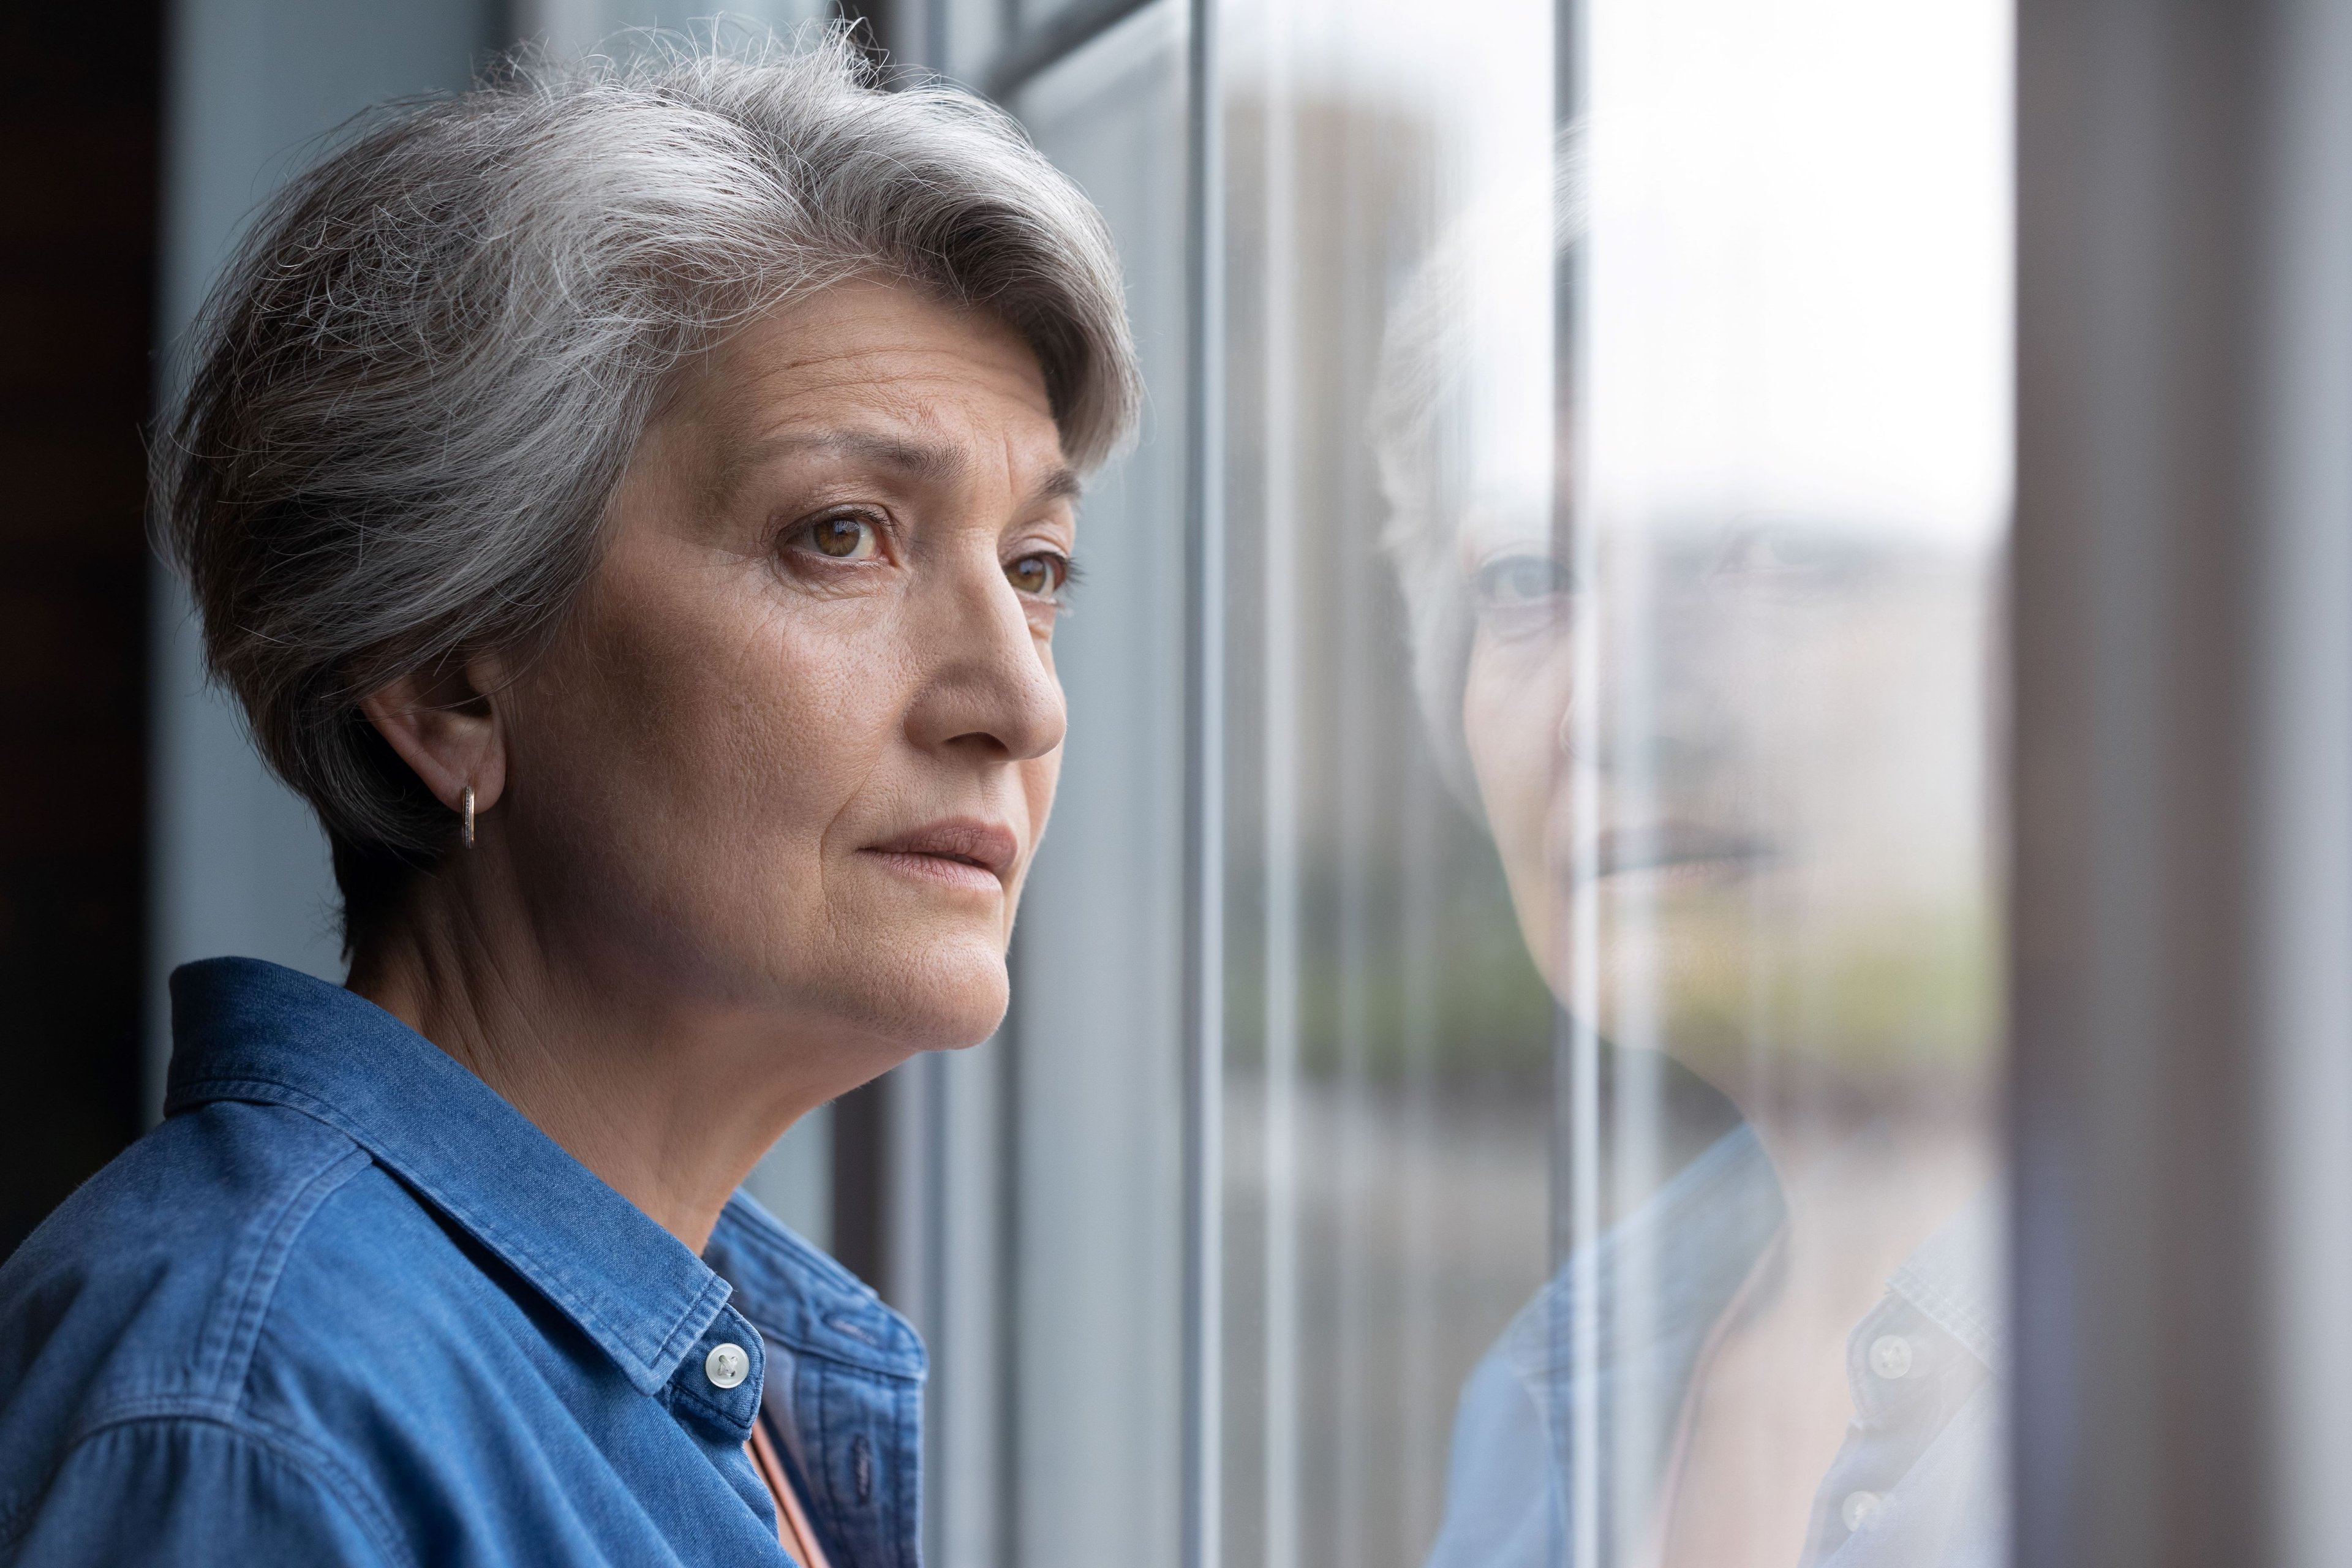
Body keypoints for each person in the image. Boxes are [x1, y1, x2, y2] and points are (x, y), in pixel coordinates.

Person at [0, 33, 1137, 1567]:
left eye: (1036, 568)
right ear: (445, 682)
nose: (1022, 701)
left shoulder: (719, 1372)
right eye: (842, 535)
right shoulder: (263, 1417)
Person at [1374, 134, 2002, 1568]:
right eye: (1528, 580)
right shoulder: (1544, 1392)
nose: (1615, 713)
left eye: (1778, 549)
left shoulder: (2263, 1370)